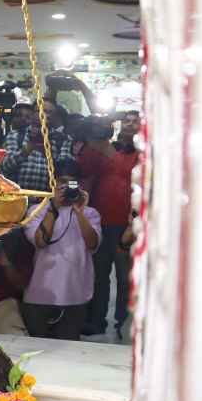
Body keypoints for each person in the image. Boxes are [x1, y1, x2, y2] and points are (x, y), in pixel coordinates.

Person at [22, 159, 101, 341]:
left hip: (75, 295)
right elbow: (40, 241)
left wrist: (80, 212)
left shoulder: (90, 213)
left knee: (68, 354)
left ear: (79, 185)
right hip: (39, 295)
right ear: (53, 183)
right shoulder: (37, 211)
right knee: (36, 352)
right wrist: (53, 208)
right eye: (61, 182)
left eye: (71, 182)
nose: (66, 187)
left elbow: (92, 244)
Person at [79, 111, 140, 338]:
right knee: (98, 276)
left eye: (135, 121)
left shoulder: (142, 154)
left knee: (125, 278)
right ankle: (96, 321)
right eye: (126, 120)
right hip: (99, 221)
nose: (130, 124)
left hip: (127, 226)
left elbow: (129, 175)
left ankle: (123, 323)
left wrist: (107, 150)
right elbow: (85, 168)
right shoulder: (106, 147)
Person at [0, 99, 75, 193]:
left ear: (54, 117)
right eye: (39, 110)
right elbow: (5, 166)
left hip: (47, 200)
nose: (43, 114)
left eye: (48, 112)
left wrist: (48, 154)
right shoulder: (16, 135)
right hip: (16, 196)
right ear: (32, 114)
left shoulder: (63, 139)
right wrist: (26, 150)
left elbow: (66, 174)